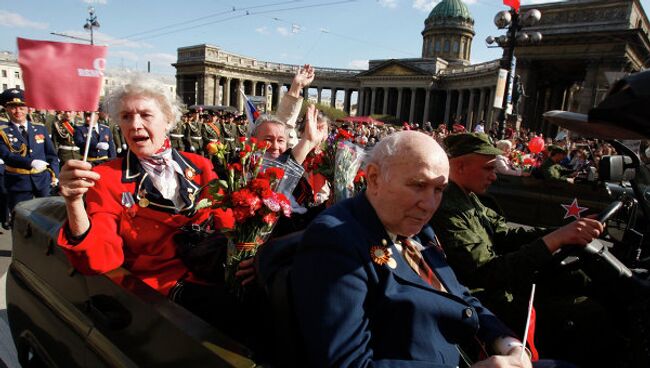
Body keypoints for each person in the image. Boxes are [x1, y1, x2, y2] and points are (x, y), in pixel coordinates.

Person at [292, 130, 534, 368]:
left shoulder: (416, 227)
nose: (429, 204)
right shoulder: (334, 240)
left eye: (439, 190)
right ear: (374, 178)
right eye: (418, 185)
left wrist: (510, 344)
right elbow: (346, 363)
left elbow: (457, 294)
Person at [56, 75, 261, 351]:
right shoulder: (106, 177)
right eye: (126, 117)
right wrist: (73, 202)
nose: (135, 125)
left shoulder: (199, 165)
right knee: (243, 318)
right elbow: (99, 258)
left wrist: (246, 260)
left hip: (212, 268)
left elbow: (226, 226)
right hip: (162, 288)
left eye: (145, 115)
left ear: (168, 119)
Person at [429, 132, 620, 366]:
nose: (494, 176)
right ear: (460, 167)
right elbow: (485, 272)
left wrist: (566, 231)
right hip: (488, 302)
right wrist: (554, 240)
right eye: (488, 168)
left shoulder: (468, 199)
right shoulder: (447, 207)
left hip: (505, 288)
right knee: (591, 314)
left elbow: (507, 234)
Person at [0, 88, 59, 213]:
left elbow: (51, 155)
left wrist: (55, 175)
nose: (18, 111)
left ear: (27, 108)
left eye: (22, 107)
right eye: (13, 107)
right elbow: (7, 155)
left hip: (43, 181)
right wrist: (30, 163)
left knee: (47, 217)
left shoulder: (40, 128)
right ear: (6, 109)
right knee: (21, 218)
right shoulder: (2, 131)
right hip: (18, 182)